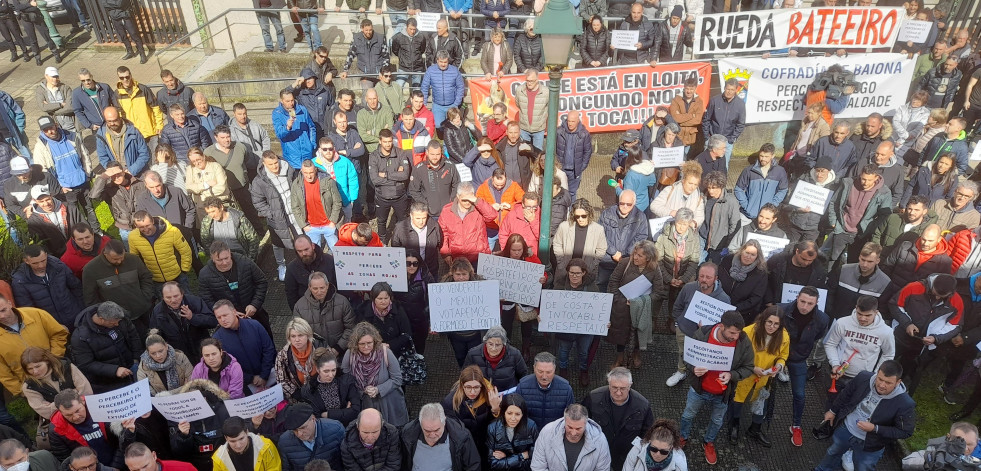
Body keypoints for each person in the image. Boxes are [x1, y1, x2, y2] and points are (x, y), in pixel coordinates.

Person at [679, 311, 754, 466]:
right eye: (732, 333)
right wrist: (693, 368)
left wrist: (732, 375)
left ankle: (708, 442)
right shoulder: (702, 334)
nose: (736, 336)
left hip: (723, 393)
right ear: (721, 326)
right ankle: (682, 437)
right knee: (688, 415)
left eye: (738, 333)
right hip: (699, 389)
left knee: (717, 420)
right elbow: (685, 356)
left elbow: (749, 367)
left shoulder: (743, 341)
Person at [813, 361, 915, 471]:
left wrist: (875, 428)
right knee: (832, 452)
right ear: (877, 373)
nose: (882, 385)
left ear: (898, 382)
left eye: (888, 382)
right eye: (880, 379)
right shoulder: (863, 377)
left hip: (871, 444)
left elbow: (905, 431)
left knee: (863, 467)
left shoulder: (905, 403)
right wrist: (833, 411)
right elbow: (846, 394)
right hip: (846, 429)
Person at [725, 306, 788, 447]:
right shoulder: (748, 332)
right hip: (745, 375)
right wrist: (753, 368)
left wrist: (779, 366)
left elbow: (783, 355)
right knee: (737, 401)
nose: (772, 327)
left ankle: (755, 429)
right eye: (769, 322)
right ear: (763, 320)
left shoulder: (784, 336)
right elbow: (736, 356)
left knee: (761, 402)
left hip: (765, 378)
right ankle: (734, 426)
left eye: (776, 324)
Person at [891, 274, 963, 396]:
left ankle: (894, 387)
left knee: (906, 365)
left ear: (951, 293)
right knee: (888, 358)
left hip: (922, 343)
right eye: (935, 293)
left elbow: (955, 325)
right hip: (899, 334)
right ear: (932, 285)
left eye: (941, 296)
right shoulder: (914, 287)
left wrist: (936, 338)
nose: (937, 297)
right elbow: (895, 304)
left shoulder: (957, 301)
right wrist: (907, 324)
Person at [824, 295, 897, 404]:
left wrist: (876, 374)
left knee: (850, 407)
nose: (862, 318)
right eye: (859, 314)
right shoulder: (842, 323)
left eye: (868, 315)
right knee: (831, 403)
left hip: (863, 379)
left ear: (876, 312)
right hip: (838, 374)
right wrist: (834, 364)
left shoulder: (886, 331)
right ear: (856, 308)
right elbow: (830, 344)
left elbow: (888, 354)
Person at [668, 262, 730, 388]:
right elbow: (677, 307)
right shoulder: (689, 288)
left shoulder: (724, 299)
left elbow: (725, 323)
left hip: (708, 337)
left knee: (703, 359)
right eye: (701, 276)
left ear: (716, 279)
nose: (704, 280)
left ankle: (700, 381)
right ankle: (681, 371)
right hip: (684, 331)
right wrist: (680, 323)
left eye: (708, 277)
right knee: (682, 353)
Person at [607, 240, 666, 368]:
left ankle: (636, 353)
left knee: (639, 331)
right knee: (620, 332)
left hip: (641, 308)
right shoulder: (624, 263)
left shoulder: (655, 268)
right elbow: (613, 282)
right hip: (622, 306)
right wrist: (620, 300)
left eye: (640, 255)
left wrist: (640, 301)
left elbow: (659, 292)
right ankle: (620, 356)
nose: (635, 257)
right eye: (635, 254)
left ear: (648, 258)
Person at [581, 367, 654, 470]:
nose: (618, 393)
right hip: (597, 453)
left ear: (630, 385)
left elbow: (648, 433)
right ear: (608, 384)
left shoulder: (642, 406)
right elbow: (582, 423)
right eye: (614, 387)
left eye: (623, 388)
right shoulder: (593, 398)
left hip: (626, 458)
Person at [341, 322, 409, 427]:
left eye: (369, 343)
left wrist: (378, 389)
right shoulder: (349, 354)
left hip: (388, 403)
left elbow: (397, 379)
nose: (366, 347)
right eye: (362, 344)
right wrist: (362, 390)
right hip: (363, 403)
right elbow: (345, 380)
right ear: (356, 343)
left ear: (375, 341)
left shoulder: (385, 353)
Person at [825, 165, 893, 268]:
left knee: (854, 263)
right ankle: (830, 281)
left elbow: (885, 215)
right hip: (841, 228)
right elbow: (834, 202)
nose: (865, 183)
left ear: (876, 178)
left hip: (861, 234)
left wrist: (870, 229)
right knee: (833, 259)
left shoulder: (884, 192)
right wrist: (834, 222)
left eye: (869, 180)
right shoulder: (848, 184)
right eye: (863, 179)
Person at [82, 239, 155, 329]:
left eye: (122, 257)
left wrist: (145, 296)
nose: (120, 261)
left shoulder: (133, 259)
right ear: (106, 254)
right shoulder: (90, 269)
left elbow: (146, 277)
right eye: (115, 259)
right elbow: (90, 297)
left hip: (143, 310)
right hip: (118, 319)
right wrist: (107, 314)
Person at [70, 302, 141, 393]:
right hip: (108, 382)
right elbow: (85, 364)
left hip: (132, 367)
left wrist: (136, 358)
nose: (117, 325)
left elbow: (133, 337)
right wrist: (114, 370)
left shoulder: (119, 318)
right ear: (101, 319)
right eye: (113, 323)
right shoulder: (81, 337)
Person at [48, 389, 131, 466]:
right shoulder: (56, 429)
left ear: (83, 402)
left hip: (120, 461)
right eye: (68, 415)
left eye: (78, 411)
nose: (76, 417)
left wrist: (116, 466)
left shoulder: (102, 407)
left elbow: (123, 440)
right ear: (61, 412)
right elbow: (66, 460)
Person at [212, 300, 277, 396]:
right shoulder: (217, 340)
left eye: (225, 315)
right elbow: (225, 367)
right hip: (245, 386)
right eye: (219, 317)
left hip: (270, 377)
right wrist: (250, 378)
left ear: (234, 312)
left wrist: (264, 375)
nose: (223, 320)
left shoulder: (254, 325)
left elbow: (269, 349)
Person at [11, 244, 83, 329]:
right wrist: (49, 326)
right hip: (52, 327)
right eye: (35, 263)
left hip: (76, 317)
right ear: (26, 261)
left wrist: (82, 312)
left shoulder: (58, 266)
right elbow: (30, 311)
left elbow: (76, 288)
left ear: (46, 255)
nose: (41, 265)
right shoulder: (20, 281)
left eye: (43, 260)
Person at [442, 366, 501, 466]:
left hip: (485, 444)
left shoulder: (491, 397)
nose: (472, 392)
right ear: (462, 385)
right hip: (464, 446)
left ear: (481, 385)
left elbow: (498, 426)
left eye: (476, 387)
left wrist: (495, 410)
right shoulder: (450, 403)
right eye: (468, 387)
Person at [169, 379, 233, 471]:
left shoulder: (223, 410)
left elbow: (235, 438)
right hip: (195, 466)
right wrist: (183, 436)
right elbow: (179, 454)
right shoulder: (179, 418)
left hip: (222, 463)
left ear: (205, 398)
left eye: (197, 399)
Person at [150, 282, 217, 364]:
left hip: (202, 350)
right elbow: (155, 336)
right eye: (168, 297)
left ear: (182, 294)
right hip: (179, 356)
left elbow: (212, 322)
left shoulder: (195, 302)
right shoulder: (157, 311)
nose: (173, 300)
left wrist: (193, 317)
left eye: (176, 296)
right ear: (163, 298)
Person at [400, 402, 481, 471]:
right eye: (427, 431)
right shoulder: (407, 434)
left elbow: (473, 466)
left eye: (436, 430)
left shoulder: (461, 436)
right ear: (420, 424)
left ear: (444, 422)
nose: (432, 435)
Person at [529, 403, 610, 471]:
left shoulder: (599, 439)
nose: (573, 433)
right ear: (565, 420)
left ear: (586, 423)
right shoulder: (547, 432)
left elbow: (603, 469)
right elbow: (538, 467)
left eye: (578, 428)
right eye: (570, 427)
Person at [20, 346, 92, 421]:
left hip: (86, 409)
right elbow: (47, 413)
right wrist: (75, 392)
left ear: (47, 361)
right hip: (60, 420)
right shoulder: (29, 386)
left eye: (38, 366)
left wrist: (53, 405)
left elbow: (87, 392)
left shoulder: (66, 367)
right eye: (30, 369)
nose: (35, 371)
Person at [598, 190, 650, 290]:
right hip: (607, 259)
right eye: (622, 203)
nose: (625, 206)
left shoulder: (641, 217)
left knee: (623, 288)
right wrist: (613, 252)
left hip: (628, 261)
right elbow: (600, 235)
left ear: (634, 203)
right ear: (618, 201)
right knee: (602, 285)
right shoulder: (607, 214)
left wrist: (625, 255)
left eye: (629, 204)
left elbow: (641, 237)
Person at [129, 211, 192, 293]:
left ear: (153, 221)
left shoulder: (172, 232)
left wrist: (184, 269)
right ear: (136, 226)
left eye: (148, 225)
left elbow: (185, 251)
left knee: (186, 299)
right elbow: (134, 258)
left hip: (178, 275)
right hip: (155, 279)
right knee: (164, 303)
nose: (146, 229)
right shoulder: (133, 237)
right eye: (141, 227)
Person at [368, 129, 411, 244]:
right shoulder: (373, 156)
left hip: (400, 196)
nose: (388, 144)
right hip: (382, 196)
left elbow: (405, 175)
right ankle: (382, 242)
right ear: (380, 141)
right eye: (385, 141)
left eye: (390, 141)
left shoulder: (401, 153)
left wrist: (385, 175)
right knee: (381, 222)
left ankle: (401, 242)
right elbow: (375, 180)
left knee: (402, 222)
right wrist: (396, 177)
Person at [881, 224, 952, 293]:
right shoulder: (904, 247)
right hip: (890, 290)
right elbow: (887, 267)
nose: (925, 243)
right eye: (923, 239)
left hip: (913, 299)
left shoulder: (945, 262)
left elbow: (938, 287)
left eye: (930, 241)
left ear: (939, 239)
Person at [302, 349, 361, 426]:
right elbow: (317, 418)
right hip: (326, 429)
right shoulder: (309, 390)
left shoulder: (347, 381)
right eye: (326, 371)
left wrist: (327, 414)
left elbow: (355, 411)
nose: (331, 375)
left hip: (348, 426)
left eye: (333, 370)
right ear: (317, 369)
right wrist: (345, 411)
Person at [552, 199, 607, 281]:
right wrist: (561, 263)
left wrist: (592, 266)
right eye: (577, 216)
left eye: (583, 216)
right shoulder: (564, 227)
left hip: (587, 273)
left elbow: (601, 249)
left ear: (589, 214)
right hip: (565, 272)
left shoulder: (598, 229)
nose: (580, 219)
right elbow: (557, 244)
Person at [515, 352, 574, 428]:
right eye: (540, 371)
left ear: (554, 369)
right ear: (534, 368)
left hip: (554, 434)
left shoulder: (566, 389)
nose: (544, 376)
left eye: (549, 372)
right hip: (529, 434)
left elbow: (570, 417)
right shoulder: (522, 386)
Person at [718, 240, 768, 330]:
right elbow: (717, 279)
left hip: (741, 314)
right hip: (718, 306)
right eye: (747, 253)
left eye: (753, 255)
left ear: (757, 256)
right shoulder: (728, 260)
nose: (748, 257)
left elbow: (756, 298)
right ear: (742, 251)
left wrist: (735, 308)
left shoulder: (760, 273)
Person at [733, 143, 788, 222]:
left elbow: (783, 190)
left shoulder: (780, 171)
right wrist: (746, 206)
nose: (763, 159)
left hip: (766, 217)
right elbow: (738, 189)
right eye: (761, 156)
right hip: (748, 215)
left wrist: (773, 205)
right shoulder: (749, 170)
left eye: (766, 156)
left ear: (773, 156)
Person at [25, 189, 86, 258]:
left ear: (51, 196)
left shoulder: (70, 207)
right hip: (59, 257)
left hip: (81, 249)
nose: (46, 204)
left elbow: (83, 226)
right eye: (41, 201)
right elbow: (41, 245)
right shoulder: (33, 221)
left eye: (47, 199)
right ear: (35, 201)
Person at [486, 393, 539, 470]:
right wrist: (523, 456)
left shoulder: (531, 426)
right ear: (503, 412)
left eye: (517, 414)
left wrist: (506, 457)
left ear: (522, 414)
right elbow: (493, 464)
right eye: (509, 413)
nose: (513, 418)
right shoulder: (492, 428)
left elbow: (536, 457)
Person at [114, 67, 163, 147]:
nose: (125, 79)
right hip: (132, 133)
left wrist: (159, 125)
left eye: (127, 77)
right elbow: (119, 115)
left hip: (150, 131)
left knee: (155, 158)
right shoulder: (117, 94)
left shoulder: (143, 89)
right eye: (122, 78)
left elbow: (155, 108)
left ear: (131, 75)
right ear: (119, 78)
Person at [97, 106, 151, 178]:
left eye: (115, 120)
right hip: (117, 176)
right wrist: (113, 171)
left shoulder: (133, 132)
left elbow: (144, 154)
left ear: (120, 117)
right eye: (109, 121)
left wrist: (132, 170)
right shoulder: (101, 135)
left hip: (137, 173)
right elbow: (103, 157)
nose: (112, 123)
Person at [702, 78, 745, 167]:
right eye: (728, 89)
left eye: (732, 90)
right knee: (707, 165)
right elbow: (706, 119)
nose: (729, 92)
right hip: (712, 140)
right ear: (724, 88)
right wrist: (707, 137)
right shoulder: (714, 100)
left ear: (736, 90)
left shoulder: (740, 104)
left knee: (723, 166)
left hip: (727, 142)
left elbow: (740, 124)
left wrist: (732, 139)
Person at [212, 416, 281, 471]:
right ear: (226, 438)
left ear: (247, 432)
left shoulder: (266, 446)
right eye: (232, 441)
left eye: (241, 439)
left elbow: (275, 468)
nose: (238, 445)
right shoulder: (219, 458)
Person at [902, 422, 980, 470]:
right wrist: (929, 463)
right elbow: (906, 463)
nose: (965, 448)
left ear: (977, 442)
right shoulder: (937, 451)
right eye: (959, 442)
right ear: (949, 437)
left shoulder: (977, 459)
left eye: (969, 444)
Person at [136, 329, 192, 395]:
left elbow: (192, 383)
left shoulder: (181, 358)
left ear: (166, 346)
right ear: (148, 353)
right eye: (153, 353)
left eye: (160, 351)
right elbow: (147, 393)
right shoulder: (143, 367)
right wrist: (182, 389)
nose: (158, 356)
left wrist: (166, 394)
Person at [341, 19, 389, 94]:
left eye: (370, 30)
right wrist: (345, 70)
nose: (369, 32)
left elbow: (386, 57)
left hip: (379, 74)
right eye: (366, 30)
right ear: (362, 28)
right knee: (367, 95)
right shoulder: (356, 39)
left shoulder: (380, 38)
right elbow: (350, 54)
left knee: (381, 96)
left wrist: (383, 71)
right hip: (365, 74)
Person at [273, 89, 317, 170]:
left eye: (292, 100)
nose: (291, 103)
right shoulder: (277, 113)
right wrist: (287, 127)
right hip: (292, 155)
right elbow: (279, 134)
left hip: (307, 153)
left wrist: (312, 144)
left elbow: (311, 127)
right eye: (287, 101)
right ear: (282, 101)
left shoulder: (302, 110)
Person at [651, 162, 705, 227]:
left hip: (685, 233)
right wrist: (669, 212)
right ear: (683, 181)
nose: (692, 187)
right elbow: (654, 206)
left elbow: (700, 216)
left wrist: (693, 223)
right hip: (667, 229)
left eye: (695, 184)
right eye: (690, 183)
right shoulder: (669, 190)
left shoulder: (699, 198)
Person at [622, 419, 688, 471]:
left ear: (671, 448)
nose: (658, 454)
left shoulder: (679, 464)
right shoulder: (638, 450)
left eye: (663, 451)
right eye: (654, 449)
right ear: (649, 442)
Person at [555, 111, 592, 202]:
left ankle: (570, 214)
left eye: (573, 121)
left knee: (572, 193)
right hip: (561, 169)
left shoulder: (584, 134)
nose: (570, 124)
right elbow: (553, 149)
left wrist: (581, 167)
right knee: (559, 192)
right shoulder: (559, 132)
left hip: (575, 171)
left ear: (578, 121)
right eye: (569, 121)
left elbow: (587, 152)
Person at [421, 51, 465, 127]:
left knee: (453, 125)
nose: (443, 64)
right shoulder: (430, 71)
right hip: (437, 105)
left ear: (448, 60)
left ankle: (449, 136)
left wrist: (456, 104)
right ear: (437, 60)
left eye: (445, 62)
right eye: (441, 62)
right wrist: (424, 103)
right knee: (438, 125)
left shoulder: (455, 71)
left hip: (452, 104)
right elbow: (424, 87)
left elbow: (460, 87)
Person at [514, 69, 548, 150]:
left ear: (537, 80)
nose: (529, 83)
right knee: (524, 154)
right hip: (524, 129)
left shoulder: (546, 92)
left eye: (531, 81)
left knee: (537, 154)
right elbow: (518, 104)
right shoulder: (520, 90)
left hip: (539, 129)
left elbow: (550, 109)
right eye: (527, 81)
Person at [391, 20, 427, 90]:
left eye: (414, 29)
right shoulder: (398, 37)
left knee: (417, 90)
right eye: (410, 29)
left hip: (417, 68)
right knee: (398, 88)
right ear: (406, 27)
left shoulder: (421, 37)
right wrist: (402, 58)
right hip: (404, 68)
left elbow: (422, 50)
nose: (412, 31)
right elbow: (395, 50)